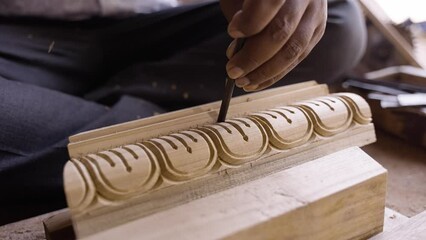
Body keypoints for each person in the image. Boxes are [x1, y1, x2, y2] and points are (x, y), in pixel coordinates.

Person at [0, 0, 366, 224]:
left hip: (145, 24)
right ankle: (152, 125)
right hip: (14, 33)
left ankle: (117, 118)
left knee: (338, 18)